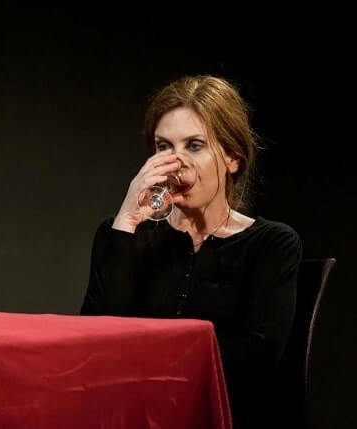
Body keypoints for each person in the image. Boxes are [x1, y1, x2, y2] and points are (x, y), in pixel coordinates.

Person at [80, 74, 303, 428]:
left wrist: (143, 358)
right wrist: (127, 219)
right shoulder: (124, 236)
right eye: (164, 147)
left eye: (194, 145)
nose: (175, 161)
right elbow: (91, 350)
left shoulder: (271, 244)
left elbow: (253, 363)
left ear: (232, 157)